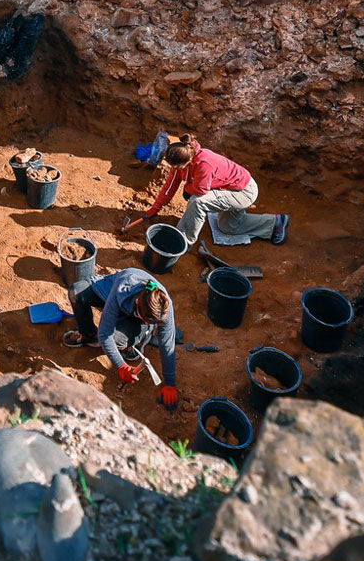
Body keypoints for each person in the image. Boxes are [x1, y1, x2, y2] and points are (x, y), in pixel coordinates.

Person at [124, 137, 289, 245]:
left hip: (244, 191)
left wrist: (188, 189)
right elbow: (170, 185)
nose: (173, 170)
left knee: (198, 202)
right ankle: (274, 223)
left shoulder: (204, 163)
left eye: (176, 167)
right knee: (227, 227)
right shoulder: (181, 157)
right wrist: (155, 208)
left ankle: (182, 241)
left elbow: (201, 189)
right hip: (229, 188)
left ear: (188, 161)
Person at [69, 267, 180, 409]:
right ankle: (88, 335)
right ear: (136, 305)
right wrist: (121, 366)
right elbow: (104, 334)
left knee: (116, 340)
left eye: (153, 323)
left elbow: (167, 344)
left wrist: (170, 383)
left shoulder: (164, 306)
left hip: (133, 314)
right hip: (112, 293)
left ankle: (133, 344)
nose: (151, 324)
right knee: (76, 292)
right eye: (148, 322)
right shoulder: (124, 287)